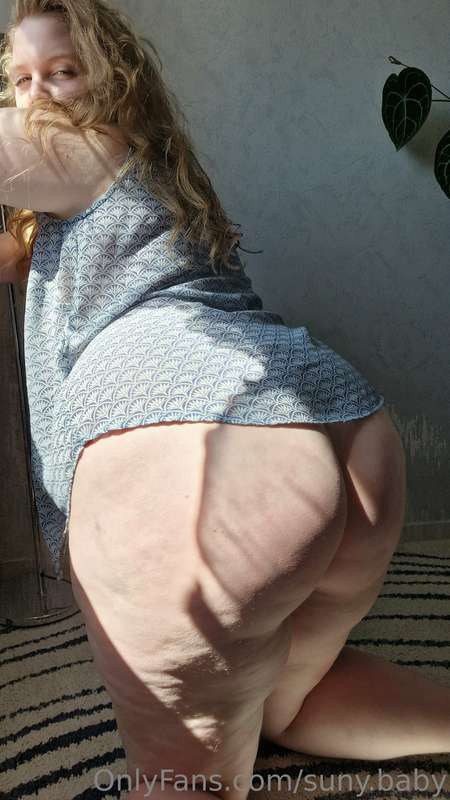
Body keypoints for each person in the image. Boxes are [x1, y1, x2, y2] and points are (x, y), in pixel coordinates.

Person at [0, 2, 448, 798]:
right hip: (343, 425)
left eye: (62, 73)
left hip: (194, 422)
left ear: (113, 82)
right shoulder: (146, 180)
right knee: (290, 701)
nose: (35, 100)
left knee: (185, 775)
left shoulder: (83, 145)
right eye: (17, 80)